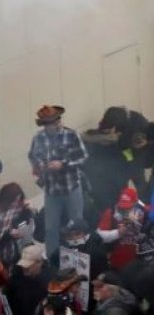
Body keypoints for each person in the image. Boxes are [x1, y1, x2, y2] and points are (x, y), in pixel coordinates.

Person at [28, 105, 88, 258]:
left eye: (56, 120)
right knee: (51, 228)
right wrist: (40, 166)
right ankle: (53, 259)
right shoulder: (38, 138)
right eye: (50, 122)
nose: (55, 124)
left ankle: (80, 256)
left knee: (76, 224)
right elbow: (33, 157)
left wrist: (63, 164)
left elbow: (83, 158)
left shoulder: (72, 135)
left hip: (72, 188)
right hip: (51, 191)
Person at [6, 243, 49, 315]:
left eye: (28, 264)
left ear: (39, 263)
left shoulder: (47, 282)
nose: (24, 267)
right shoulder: (14, 282)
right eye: (23, 263)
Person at [0, 182, 35, 268]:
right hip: (5, 256)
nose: (15, 204)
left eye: (18, 200)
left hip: (21, 250)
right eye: (14, 201)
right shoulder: (2, 213)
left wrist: (28, 212)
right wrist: (9, 235)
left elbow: (29, 221)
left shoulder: (19, 207)